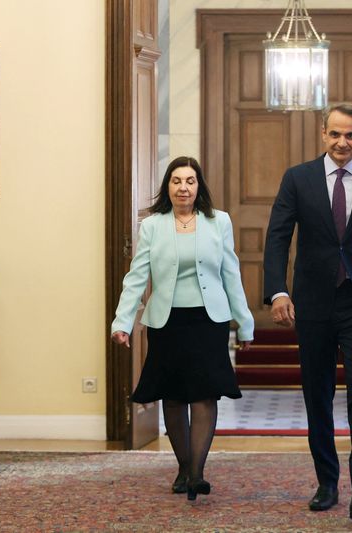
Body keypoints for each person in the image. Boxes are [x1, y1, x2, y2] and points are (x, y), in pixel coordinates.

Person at [263, 103, 352, 520]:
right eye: (335, 134)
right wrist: (278, 293)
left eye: (351, 135)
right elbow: (277, 239)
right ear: (323, 134)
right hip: (314, 303)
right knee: (318, 394)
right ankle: (327, 482)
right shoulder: (298, 178)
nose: (342, 142)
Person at [111, 156, 253, 501]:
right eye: (176, 181)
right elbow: (137, 278)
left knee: (204, 393)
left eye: (190, 181)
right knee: (174, 396)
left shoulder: (219, 221)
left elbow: (231, 274)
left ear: (199, 186)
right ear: (168, 187)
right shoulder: (153, 226)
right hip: (167, 321)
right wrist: (122, 321)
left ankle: (197, 474)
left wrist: (245, 323)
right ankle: (184, 467)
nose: (183, 187)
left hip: (209, 321)